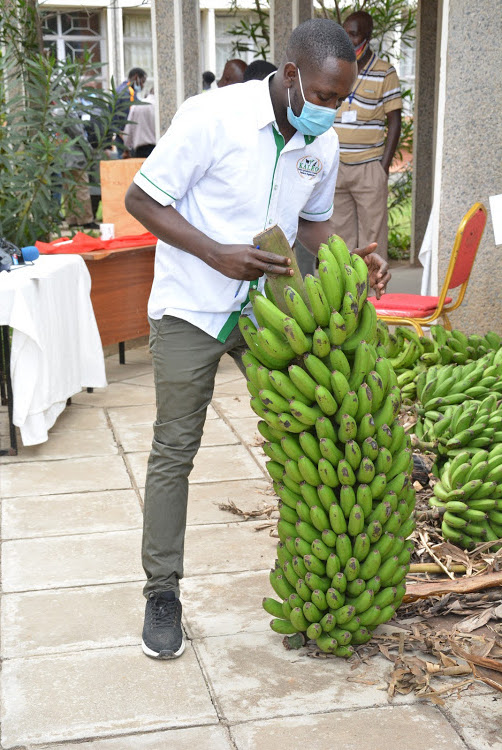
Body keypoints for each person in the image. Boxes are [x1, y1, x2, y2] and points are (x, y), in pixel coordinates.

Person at [125, 17, 391, 661]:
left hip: (271, 312)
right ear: (292, 74)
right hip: (193, 306)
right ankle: (162, 592)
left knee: (312, 441)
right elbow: (142, 200)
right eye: (326, 97)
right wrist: (216, 253)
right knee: (175, 450)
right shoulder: (211, 117)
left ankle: (319, 586)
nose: (334, 111)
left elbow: (314, 228)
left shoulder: (319, 145)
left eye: (343, 99)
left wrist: (357, 259)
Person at [332, 11, 402, 259]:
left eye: (353, 34)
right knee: (339, 240)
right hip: (336, 166)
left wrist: (382, 168)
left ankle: (373, 296)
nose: (347, 39)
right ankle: (344, 295)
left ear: (367, 36)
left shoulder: (385, 72)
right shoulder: (336, 68)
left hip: (369, 168)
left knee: (373, 241)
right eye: (344, 32)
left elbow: (395, 122)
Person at [113, 67, 147, 154]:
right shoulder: (128, 93)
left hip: (119, 136)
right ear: (136, 78)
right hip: (125, 139)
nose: (142, 85)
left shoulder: (119, 89)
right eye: (142, 82)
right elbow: (127, 117)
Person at [122, 92, 157, 158]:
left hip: (141, 151)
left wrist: (126, 149)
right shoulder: (160, 106)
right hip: (158, 148)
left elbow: (128, 132)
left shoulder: (136, 106)